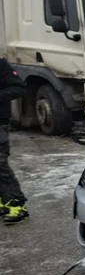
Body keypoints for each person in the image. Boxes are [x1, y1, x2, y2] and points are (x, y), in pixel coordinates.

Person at [0, 56, 28, 224]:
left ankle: (18, 205)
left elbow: (19, 88)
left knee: (0, 164)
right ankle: (4, 203)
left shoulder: (1, 64)